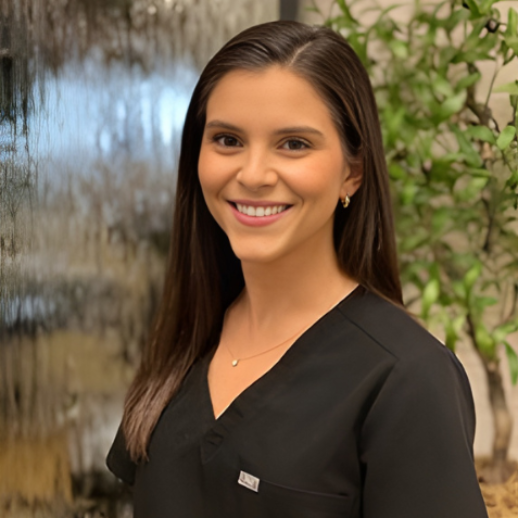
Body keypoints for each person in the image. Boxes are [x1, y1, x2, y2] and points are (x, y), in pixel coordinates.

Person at [106, 20, 489, 518]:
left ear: (353, 171)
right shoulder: (189, 333)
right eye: (227, 139)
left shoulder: (408, 378)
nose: (253, 174)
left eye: (294, 144)